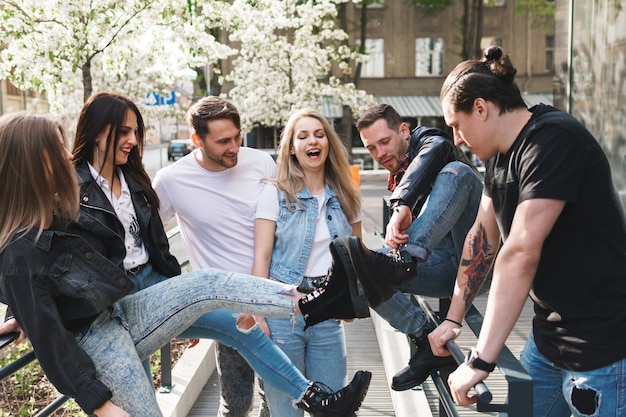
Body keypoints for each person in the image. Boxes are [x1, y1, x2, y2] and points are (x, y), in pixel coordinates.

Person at [0, 111, 372, 417]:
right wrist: (101, 406)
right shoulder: (22, 248)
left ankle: (313, 302)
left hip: (124, 307)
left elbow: (123, 249)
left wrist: (23, 308)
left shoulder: (57, 208)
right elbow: (51, 343)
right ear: (34, 162)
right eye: (57, 149)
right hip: (96, 338)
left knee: (208, 283)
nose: (67, 155)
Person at [427, 46, 626, 416]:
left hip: (603, 348)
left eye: (456, 124)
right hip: (549, 338)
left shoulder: (553, 140)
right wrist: (454, 318)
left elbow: (520, 251)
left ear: (481, 108)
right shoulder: (500, 155)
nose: (455, 138)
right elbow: (482, 238)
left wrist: (481, 360)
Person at [307, 102, 484, 392]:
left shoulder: (430, 143)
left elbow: (438, 146)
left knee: (457, 172)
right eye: (372, 148)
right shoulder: (397, 177)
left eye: (385, 142)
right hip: (442, 267)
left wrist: (401, 203)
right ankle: (426, 339)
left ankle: (403, 261)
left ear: (404, 131)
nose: (380, 154)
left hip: (482, 261)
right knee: (360, 267)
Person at [152, 96, 275, 417]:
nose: (234, 146)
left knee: (278, 399)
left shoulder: (262, 163)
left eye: (237, 137)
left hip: (276, 298)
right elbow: (146, 239)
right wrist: (187, 310)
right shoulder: (171, 180)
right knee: (236, 404)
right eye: (223, 141)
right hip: (228, 311)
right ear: (197, 140)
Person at [252, 108, 367, 416]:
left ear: (327, 143)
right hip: (281, 313)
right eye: (302, 136)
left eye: (318, 135)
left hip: (327, 314)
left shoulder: (346, 195)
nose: (311, 141)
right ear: (291, 147)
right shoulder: (273, 193)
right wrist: (258, 313)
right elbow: (261, 257)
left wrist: (351, 300)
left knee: (333, 407)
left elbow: (355, 255)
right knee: (286, 410)